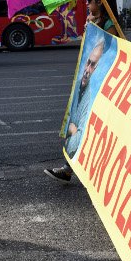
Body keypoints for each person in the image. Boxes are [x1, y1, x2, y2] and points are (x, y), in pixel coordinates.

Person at [44, 39, 106, 183]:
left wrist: (73, 130)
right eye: (88, 62)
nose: (87, 68)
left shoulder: (93, 94)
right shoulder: (80, 84)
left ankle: (69, 170)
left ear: (98, 69)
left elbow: (79, 138)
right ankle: (67, 169)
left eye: (93, 65)